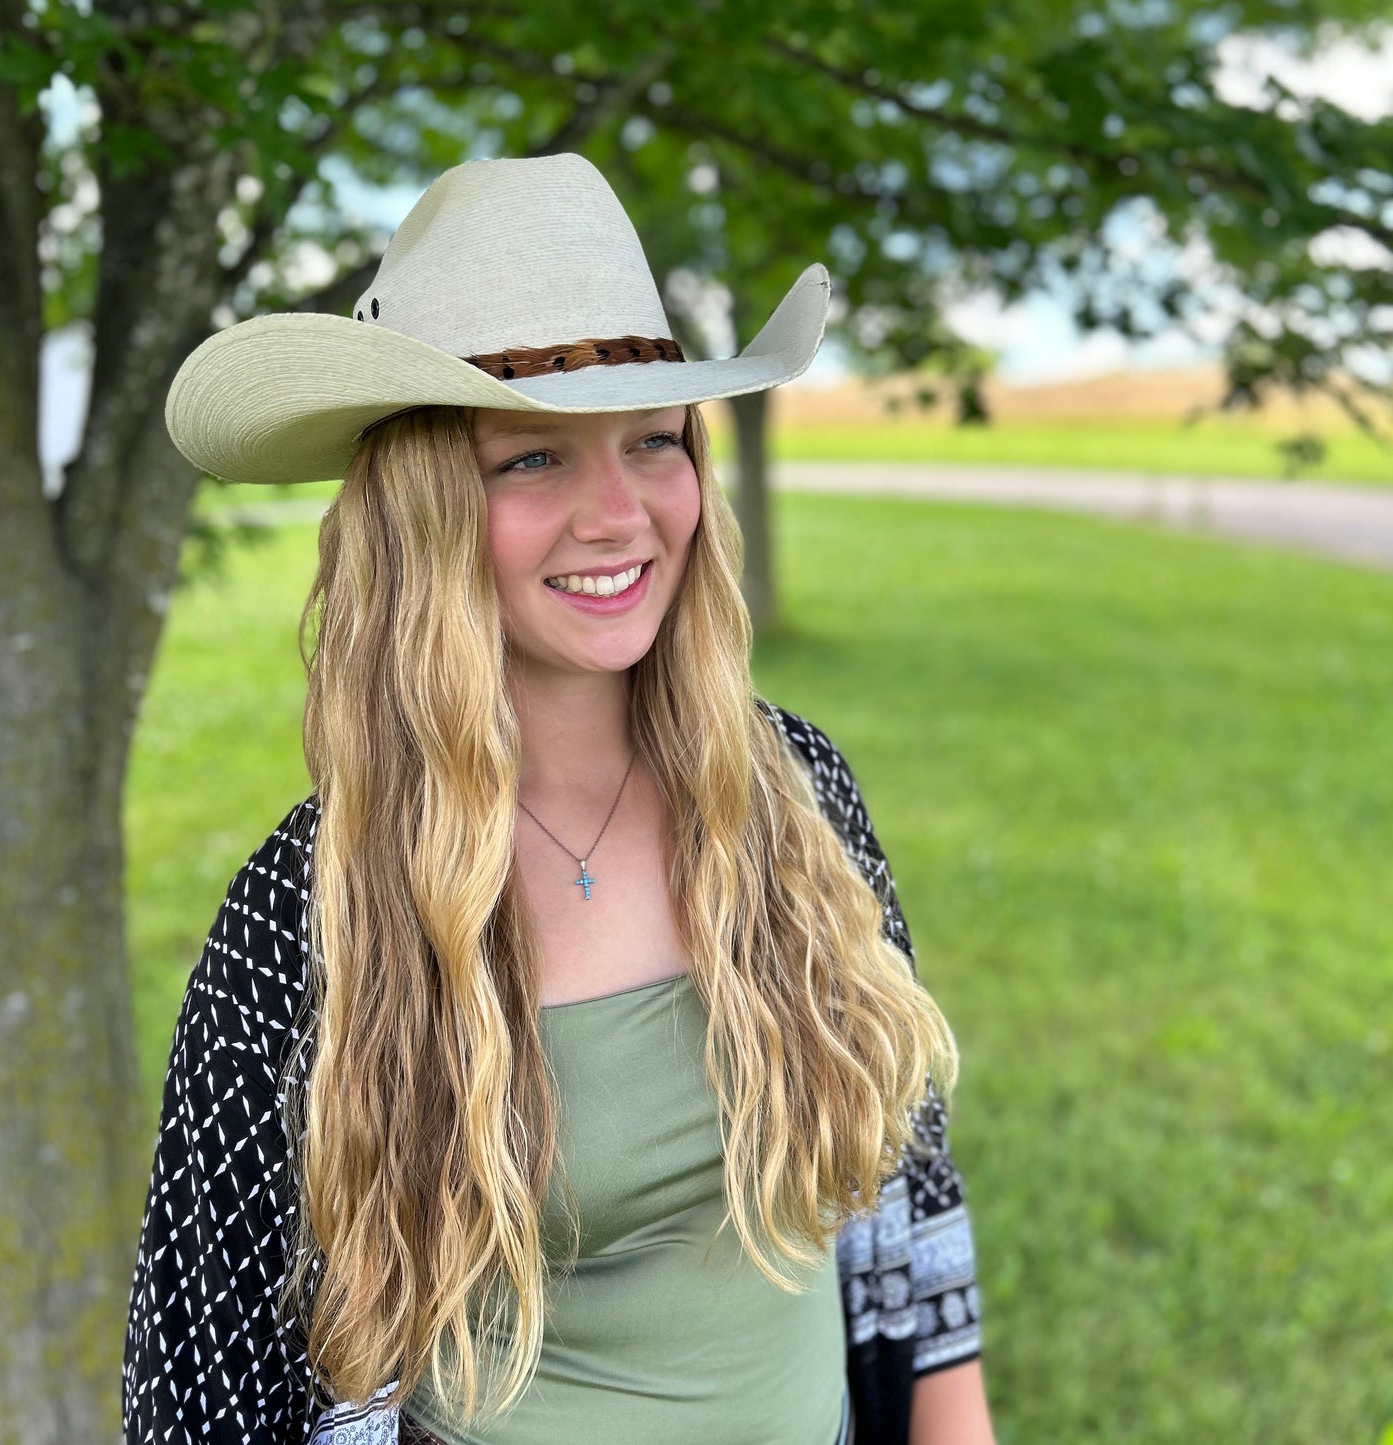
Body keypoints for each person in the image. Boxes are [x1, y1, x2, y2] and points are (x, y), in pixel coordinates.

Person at [123, 153, 995, 1445]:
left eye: (652, 442)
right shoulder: (309, 923)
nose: (617, 513)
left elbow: (909, 1200)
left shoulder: (792, 796)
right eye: (532, 459)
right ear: (422, 511)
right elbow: (199, 1396)